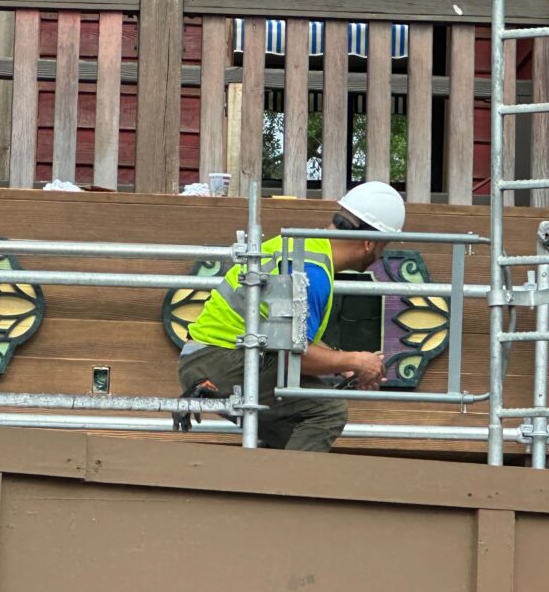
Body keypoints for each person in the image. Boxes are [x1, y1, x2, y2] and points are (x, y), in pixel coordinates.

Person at [174, 181, 406, 451]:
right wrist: (355, 360)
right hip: (221, 360)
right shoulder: (312, 272)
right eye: (383, 247)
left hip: (209, 357)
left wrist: (343, 364)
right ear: (369, 243)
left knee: (296, 424)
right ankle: (287, 490)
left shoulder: (305, 250)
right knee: (328, 411)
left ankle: (265, 483)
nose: (381, 255)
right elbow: (293, 356)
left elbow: (287, 335)